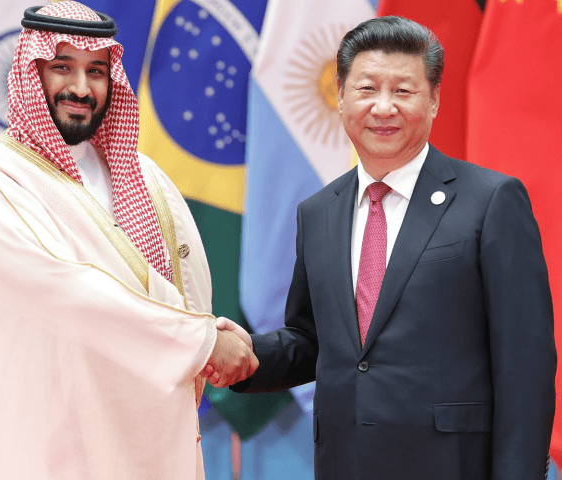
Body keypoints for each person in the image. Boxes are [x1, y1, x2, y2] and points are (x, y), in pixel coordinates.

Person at [214, 16, 557, 479]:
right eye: (367, 88)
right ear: (340, 97)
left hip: (452, 467)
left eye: (403, 91)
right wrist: (247, 355)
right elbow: (314, 341)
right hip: (344, 463)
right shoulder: (317, 212)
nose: (383, 107)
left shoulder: (491, 201)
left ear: (434, 100)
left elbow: (526, 360)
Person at [0, 2, 257, 479]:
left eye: (96, 71)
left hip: (142, 443)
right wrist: (201, 342)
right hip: (40, 450)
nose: (82, 88)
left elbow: (178, 289)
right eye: (63, 67)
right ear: (28, 71)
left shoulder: (146, 177)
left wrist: (214, 330)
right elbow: (63, 292)